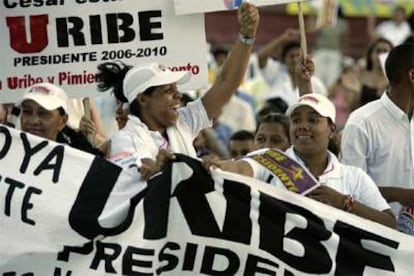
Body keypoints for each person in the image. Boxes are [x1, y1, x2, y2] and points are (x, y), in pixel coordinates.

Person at [98, 3, 260, 171]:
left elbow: (227, 83)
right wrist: (160, 168)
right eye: (169, 91)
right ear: (143, 99)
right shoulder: (126, 138)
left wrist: (247, 34)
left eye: (176, 89)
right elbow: (140, 170)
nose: (179, 96)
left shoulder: (182, 121)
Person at [203, 93, 396, 228]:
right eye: (296, 120)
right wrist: (219, 166)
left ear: (331, 130)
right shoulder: (269, 160)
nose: (302, 126)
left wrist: (346, 203)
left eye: (313, 120)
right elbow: (240, 168)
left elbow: (389, 224)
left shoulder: (353, 177)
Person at [341, 43, 414, 234]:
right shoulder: (362, 122)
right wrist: (398, 194)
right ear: (412, 76)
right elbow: (348, 191)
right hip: (377, 237)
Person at [18, 82, 104, 156]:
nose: (34, 121)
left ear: (63, 121)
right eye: (27, 111)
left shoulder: (74, 160)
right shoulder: (7, 155)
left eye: (43, 114)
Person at [256, 29, 328, 107]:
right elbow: (260, 57)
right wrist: (282, 39)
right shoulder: (276, 71)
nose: (294, 60)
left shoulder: (316, 84)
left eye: (297, 56)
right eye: (291, 56)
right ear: (284, 59)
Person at [358, 38, 393, 107]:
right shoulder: (360, 75)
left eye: (385, 51)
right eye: (378, 51)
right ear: (371, 54)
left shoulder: (397, 79)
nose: (381, 55)